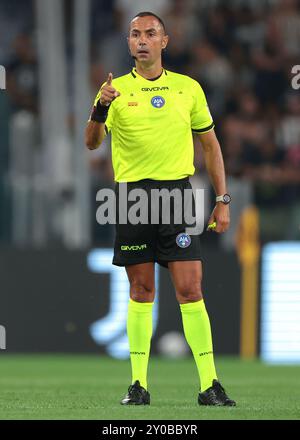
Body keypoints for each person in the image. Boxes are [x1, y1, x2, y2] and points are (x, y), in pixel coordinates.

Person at [85, 11, 236, 407]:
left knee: (191, 289)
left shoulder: (188, 89)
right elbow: (90, 142)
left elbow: (211, 146)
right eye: (135, 34)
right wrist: (100, 108)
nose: (142, 40)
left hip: (178, 197)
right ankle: (138, 385)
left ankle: (210, 384)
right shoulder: (112, 91)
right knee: (141, 290)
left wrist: (222, 200)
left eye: (150, 33)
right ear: (129, 42)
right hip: (132, 199)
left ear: (164, 42)